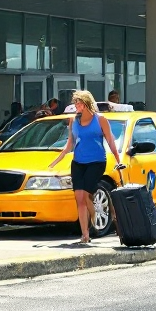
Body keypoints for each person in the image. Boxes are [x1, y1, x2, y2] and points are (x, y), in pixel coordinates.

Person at [48, 90, 121, 245]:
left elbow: (110, 141)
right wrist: (54, 162)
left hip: (96, 162)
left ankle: (95, 217)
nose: (76, 105)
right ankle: (85, 235)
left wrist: (118, 161)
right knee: (79, 198)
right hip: (78, 163)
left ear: (86, 103)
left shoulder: (100, 120)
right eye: (75, 103)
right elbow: (69, 145)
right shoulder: (73, 121)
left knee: (87, 194)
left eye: (78, 102)